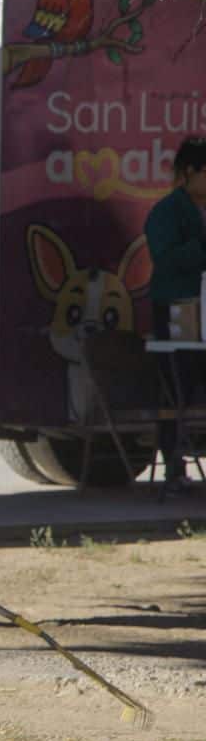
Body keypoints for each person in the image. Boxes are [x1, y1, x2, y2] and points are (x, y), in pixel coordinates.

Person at [145, 136, 206, 494]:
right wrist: (200, 248)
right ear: (189, 172)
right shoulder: (166, 212)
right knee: (176, 384)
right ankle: (173, 463)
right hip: (176, 308)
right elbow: (164, 258)